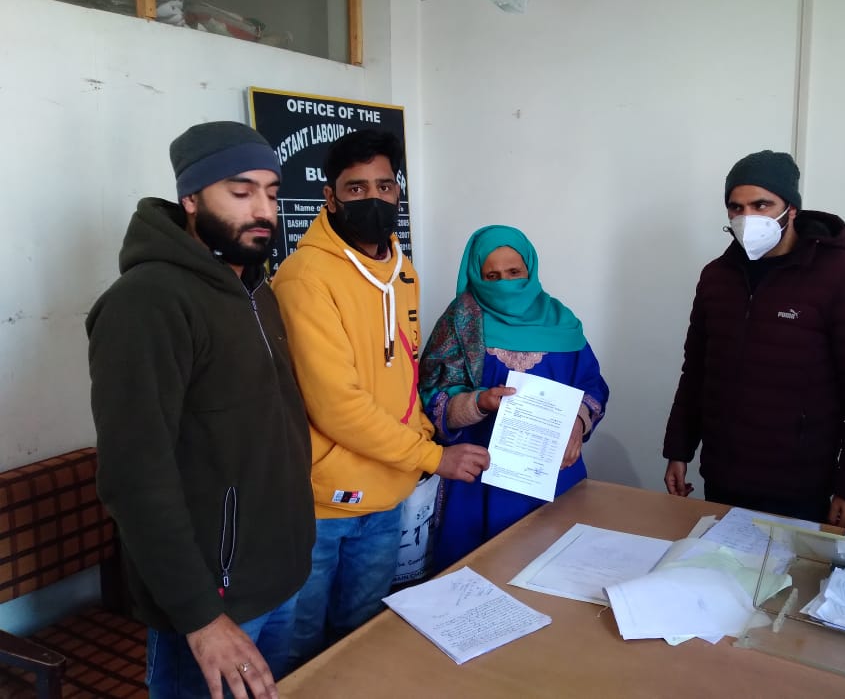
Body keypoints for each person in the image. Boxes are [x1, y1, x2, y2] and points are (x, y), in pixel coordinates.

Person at [86, 121, 315, 699]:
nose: (263, 209)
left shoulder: (255, 288)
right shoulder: (148, 303)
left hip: (280, 578)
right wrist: (201, 619)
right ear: (191, 198)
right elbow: (135, 478)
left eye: (271, 191)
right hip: (215, 604)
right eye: (241, 192)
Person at [271, 130, 490, 666]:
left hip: (388, 495)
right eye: (355, 188)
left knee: (362, 634)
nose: (373, 198)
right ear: (330, 197)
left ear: (399, 192)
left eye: (385, 185)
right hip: (323, 503)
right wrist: (433, 457)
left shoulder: (404, 272)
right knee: (301, 646)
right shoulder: (306, 277)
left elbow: (405, 375)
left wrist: (421, 441)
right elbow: (335, 404)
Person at [662, 150, 845, 527]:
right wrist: (679, 451)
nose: (747, 218)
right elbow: (697, 374)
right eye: (736, 207)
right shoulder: (717, 277)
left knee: (790, 584)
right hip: (722, 476)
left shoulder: (843, 277)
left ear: (791, 209)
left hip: (800, 486)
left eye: (761, 204)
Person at [419, 225, 609, 573]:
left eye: (514, 273)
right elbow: (431, 394)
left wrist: (578, 424)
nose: (505, 283)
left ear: (530, 270)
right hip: (476, 481)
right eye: (491, 276)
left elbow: (592, 385)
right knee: (473, 585)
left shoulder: (561, 322)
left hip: (550, 479)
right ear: (476, 276)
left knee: (552, 581)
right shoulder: (460, 323)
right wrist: (478, 402)